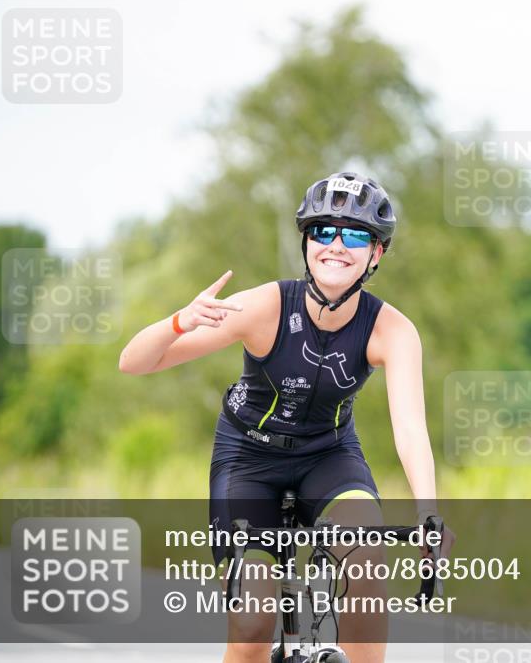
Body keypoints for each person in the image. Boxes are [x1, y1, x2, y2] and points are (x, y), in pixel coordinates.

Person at [119, 172, 455, 663]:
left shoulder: (392, 329)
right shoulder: (266, 307)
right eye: (323, 231)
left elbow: (410, 428)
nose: (336, 245)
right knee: (253, 622)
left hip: (330, 456)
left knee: (367, 560)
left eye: (356, 234)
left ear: (376, 253)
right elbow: (135, 362)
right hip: (248, 460)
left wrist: (428, 511)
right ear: (306, 242)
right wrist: (180, 321)